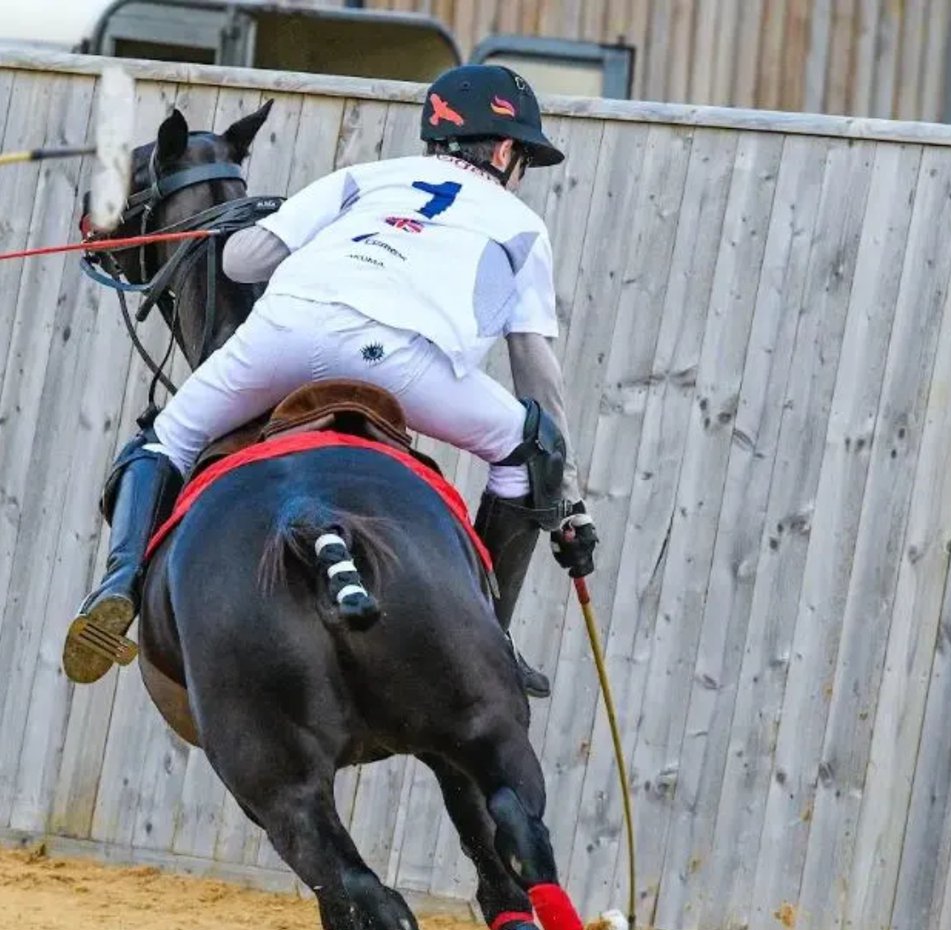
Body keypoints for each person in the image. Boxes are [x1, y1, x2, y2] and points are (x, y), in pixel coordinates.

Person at [62, 64, 596, 696]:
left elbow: (239, 260)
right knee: (527, 446)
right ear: (506, 150)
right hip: (400, 360)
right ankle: (487, 637)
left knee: (163, 441)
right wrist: (564, 494)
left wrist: (268, 225)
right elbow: (537, 371)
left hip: (283, 336)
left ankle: (117, 584)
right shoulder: (522, 226)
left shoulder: (362, 178)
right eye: (524, 158)